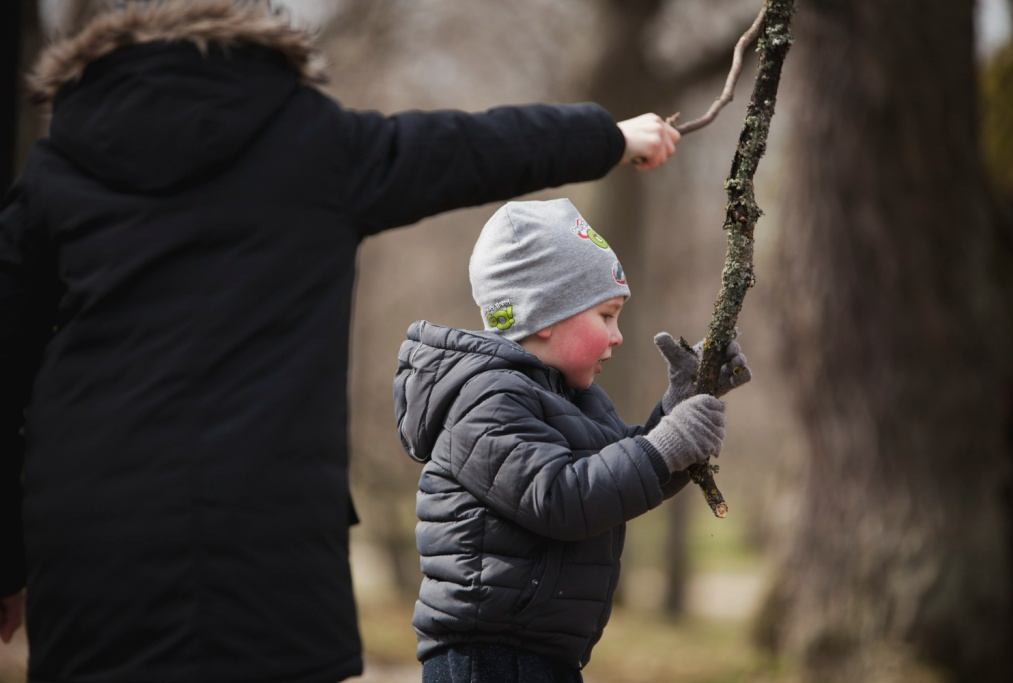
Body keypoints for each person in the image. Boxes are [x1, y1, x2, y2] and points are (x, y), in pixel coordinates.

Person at [0, 1, 684, 682]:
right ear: (252, 35)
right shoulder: (308, 144)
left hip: (88, 543)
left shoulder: (58, 170)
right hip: (266, 544)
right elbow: (471, 149)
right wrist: (611, 137)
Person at [393, 198, 752, 682]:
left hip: (540, 653)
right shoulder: (483, 399)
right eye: (606, 315)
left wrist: (675, 411)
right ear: (543, 314)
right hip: (486, 658)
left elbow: (615, 484)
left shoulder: (574, 398)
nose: (618, 335)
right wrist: (667, 443)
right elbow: (562, 496)